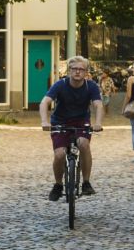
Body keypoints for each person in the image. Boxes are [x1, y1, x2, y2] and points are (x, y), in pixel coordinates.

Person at [39, 56, 104, 201]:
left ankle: (86, 182)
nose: (77, 72)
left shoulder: (91, 86)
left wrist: (98, 122)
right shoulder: (60, 85)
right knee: (60, 154)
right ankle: (58, 185)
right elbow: (44, 102)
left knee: (84, 144)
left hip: (81, 122)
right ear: (69, 71)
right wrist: (45, 121)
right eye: (74, 69)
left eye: (81, 69)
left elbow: (98, 105)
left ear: (86, 72)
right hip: (60, 122)